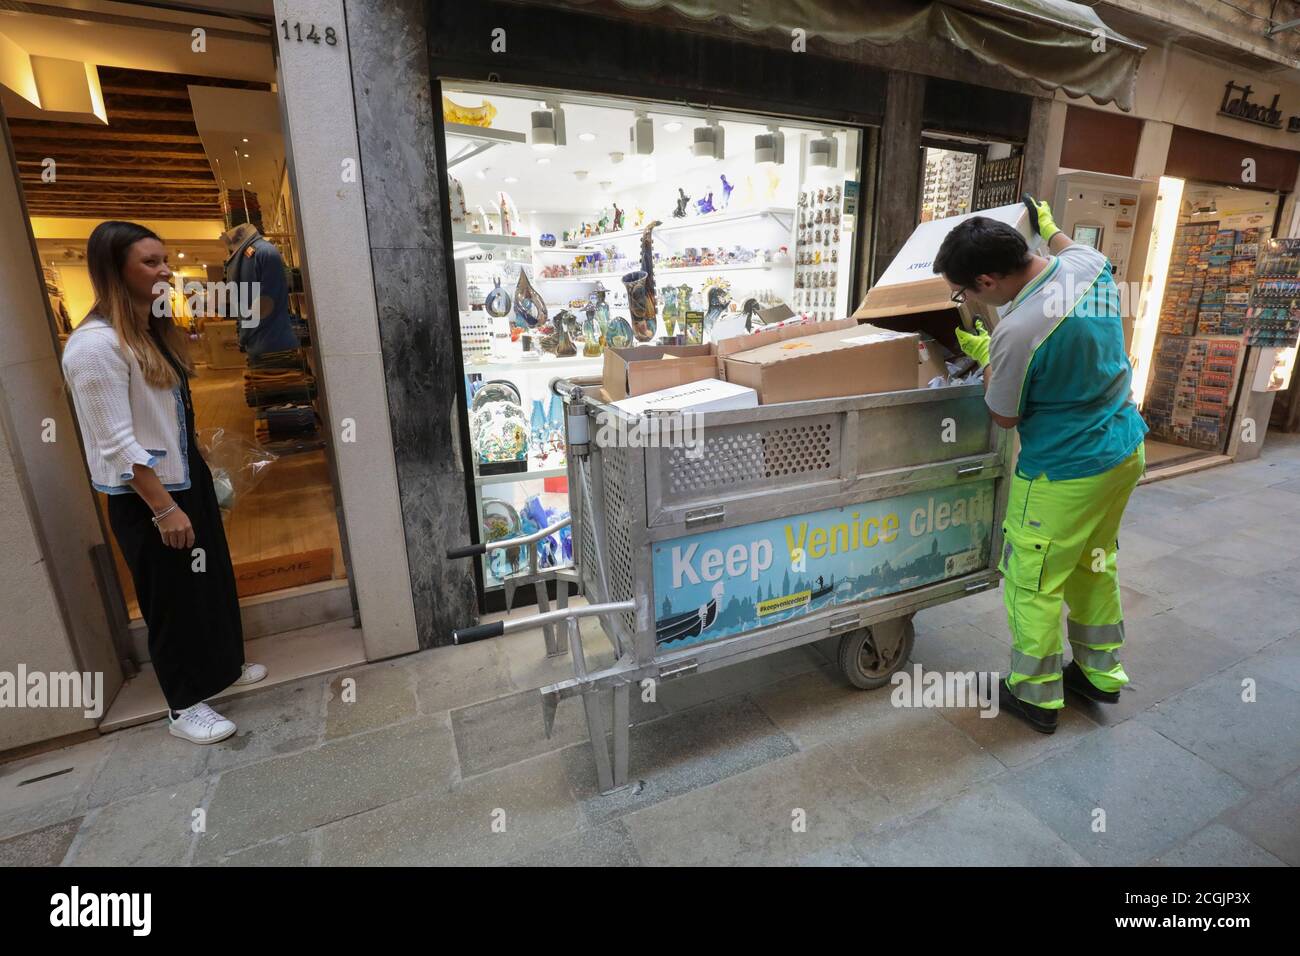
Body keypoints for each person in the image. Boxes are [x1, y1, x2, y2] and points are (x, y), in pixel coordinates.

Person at [933, 198, 1148, 734]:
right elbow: (1065, 246)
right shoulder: (1090, 264)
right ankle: (1100, 675)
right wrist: (1049, 226)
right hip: (1122, 449)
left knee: (1033, 582)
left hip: (1062, 473)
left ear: (986, 280)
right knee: (1094, 563)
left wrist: (986, 357)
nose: (965, 300)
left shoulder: (1019, 331)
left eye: (964, 293)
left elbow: (1004, 417)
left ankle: (1034, 695)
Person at [61, 221, 267, 744]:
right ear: (115, 271)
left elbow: (168, 412)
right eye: (150, 262)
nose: (165, 269)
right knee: (170, 598)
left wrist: (198, 466)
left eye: (163, 259)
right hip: (147, 494)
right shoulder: (92, 346)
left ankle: (221, 666)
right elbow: (115, 441)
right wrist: (162, 508)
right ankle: (183, 703)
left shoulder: (146, 331)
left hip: (181, 478)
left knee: (210, 577)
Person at [221, 222, 299, 358]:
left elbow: (265, 303)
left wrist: (243, 335)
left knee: (273, 377)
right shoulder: (260, 253)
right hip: (270, 341)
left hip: (267, 342)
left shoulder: (260, 253)